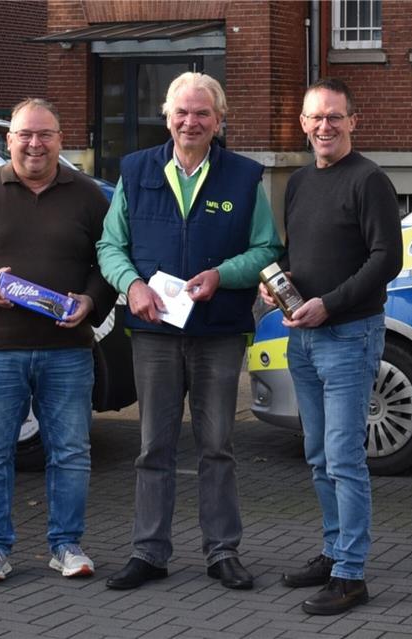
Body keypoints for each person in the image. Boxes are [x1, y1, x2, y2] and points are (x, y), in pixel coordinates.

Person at [97, 72, 283, 591]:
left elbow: (267, 249)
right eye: (181, 112)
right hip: (154, 331)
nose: (191, 121)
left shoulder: (243, 177)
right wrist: (132, 285)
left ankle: (222, 551)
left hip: (218, 333)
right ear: (167, 117)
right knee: (152, 446)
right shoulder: (136, 171)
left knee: (217, 446)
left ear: (219, 121)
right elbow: (110, 245)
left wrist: (223, 275)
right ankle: (148, 551)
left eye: (202, 113)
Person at [0, 98, 115, 583]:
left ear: (60, 140)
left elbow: (113, 259)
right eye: (26, 135)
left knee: (70, 452)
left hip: (68, 350)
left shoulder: (88, 196)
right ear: (9, 140)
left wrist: (92, 300)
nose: (35, 144)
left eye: (45, 135)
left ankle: (66, 545)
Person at [260, 78, 402, 615]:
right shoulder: (299, 182)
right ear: (302, 123)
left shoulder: (369, 180)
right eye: (316, 117)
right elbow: (302, 255)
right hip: (303, 336)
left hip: (348, 336)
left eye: (334, 117)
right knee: (318, 455)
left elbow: (387, 258)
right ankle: (333, 550)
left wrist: (330, 304)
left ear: (352, 122)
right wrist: (280, 283)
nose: (325, 126)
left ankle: (351, 575)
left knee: (344, 458)